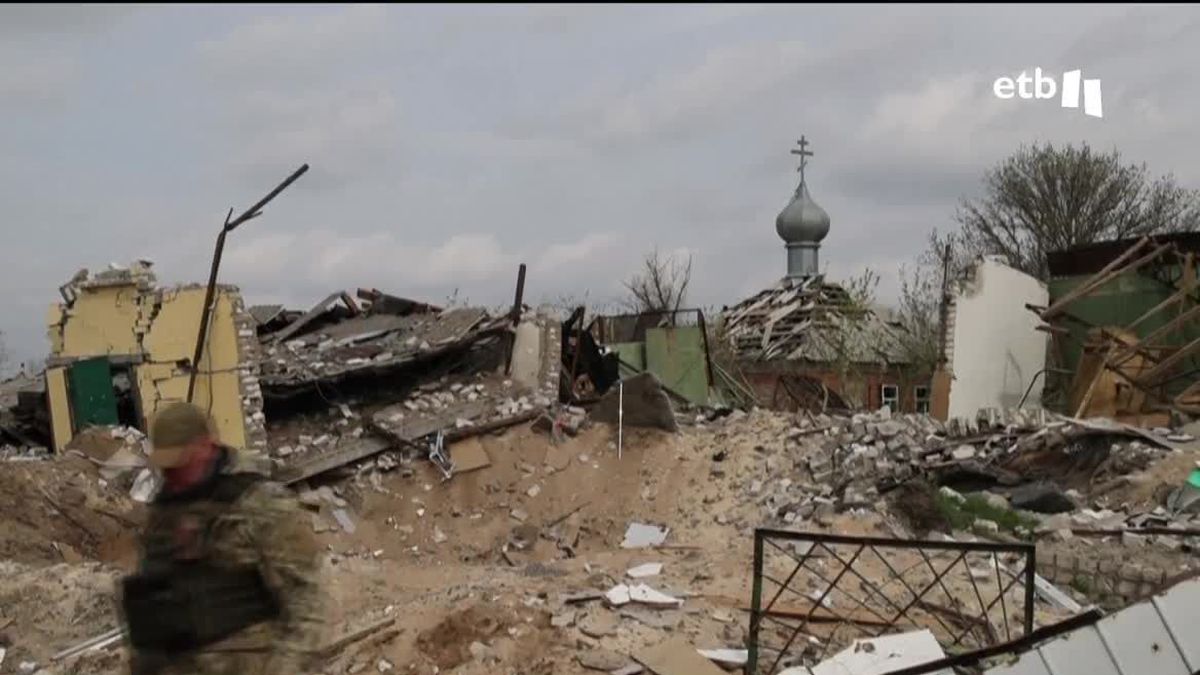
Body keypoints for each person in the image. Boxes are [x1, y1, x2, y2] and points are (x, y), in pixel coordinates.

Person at [121, 402, 326, 674]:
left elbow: (307, 601)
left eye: (179, 463)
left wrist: (287, 669)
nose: (170, 475)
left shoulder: (258, 502)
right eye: (166, 466)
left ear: (205, 447)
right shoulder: (164, 513)